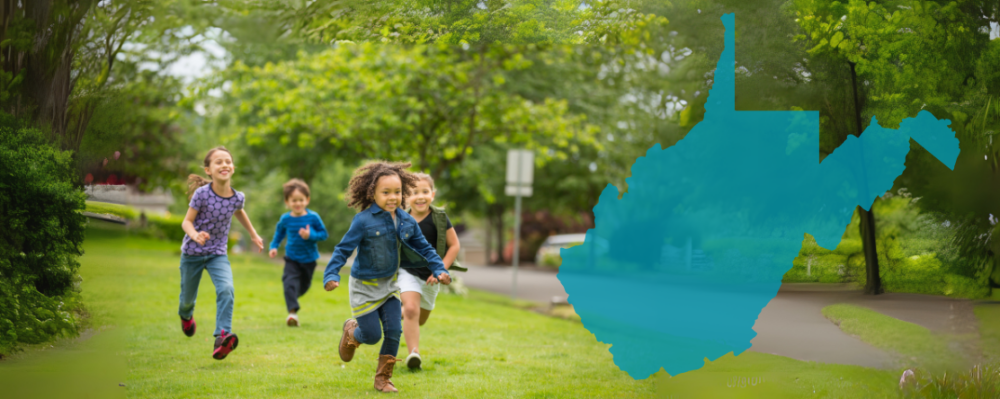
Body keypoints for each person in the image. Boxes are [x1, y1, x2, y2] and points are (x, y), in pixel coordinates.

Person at [323, 161, 451, 393]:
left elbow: (425, 247)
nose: (393, 197)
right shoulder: (362, 221)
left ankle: (383, 379)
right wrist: (331, 274)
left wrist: (439, 268)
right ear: (373, 193)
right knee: (371, 336)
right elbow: (343, 249)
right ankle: (352, 333)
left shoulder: (405, 220)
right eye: (386, 192)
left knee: (394, 330)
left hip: (391, 285)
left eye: (398, 192)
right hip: (364, 287)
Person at [178, 146, 264, 360]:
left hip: (217, 253)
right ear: (208, 170)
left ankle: (222, 335)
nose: (224, 164)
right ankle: (186, 316)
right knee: (187, 300)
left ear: (232, 167)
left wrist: (253, 234)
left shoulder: (237, 197)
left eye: (228, 161)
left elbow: (239, 211)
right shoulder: (202, 194)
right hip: (192, 253)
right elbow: (186, 221)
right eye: (218, 162)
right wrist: (195, 234)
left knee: (226, 288)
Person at [398, 172, 467, 369]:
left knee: (420, 319)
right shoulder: (400, 218)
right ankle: (414, 354)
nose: (420, 196)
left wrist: (439, 271)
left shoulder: (439, 218)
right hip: (406, 272)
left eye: (425, 191)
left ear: (433, 194)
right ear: (405, 197)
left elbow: (454, 246)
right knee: (412, 309)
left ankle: (396, 312)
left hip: (431, 277)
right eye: (414, 192)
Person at [268, 178, 329, 327]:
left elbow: (324, 234)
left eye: (301, 200)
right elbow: (279, 234)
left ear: (307, 200)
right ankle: (292, 314)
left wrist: (310, 236)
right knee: (288, 283)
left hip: (309, 259)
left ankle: (292, 298)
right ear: (287, 202)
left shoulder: (313, 217)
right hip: (292, 258)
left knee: (302, 287)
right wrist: (273, 246)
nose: (297, 203)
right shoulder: (285, 219)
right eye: (293, 200)